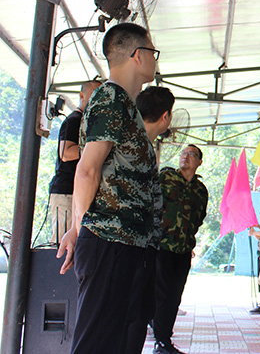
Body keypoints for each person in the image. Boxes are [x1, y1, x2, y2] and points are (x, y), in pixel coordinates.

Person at [56, 22, 160, 354]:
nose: (155, 60)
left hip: (127, 242)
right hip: (108, 239)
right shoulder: (110, 98)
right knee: (97, 341)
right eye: (153, 52)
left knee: (117, 338)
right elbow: (87, 170)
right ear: (138, 55)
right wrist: (79, 228)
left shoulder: (126, 105)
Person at [125, 85, 174, 354]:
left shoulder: (138, 142)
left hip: (141, 246)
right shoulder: (137, 145)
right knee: (133, 315)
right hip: (134, 246)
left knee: (139, 313)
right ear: (165, 116)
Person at [150, 143, 207, 354]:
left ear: (199, 162)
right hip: (161, 245)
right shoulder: (166, 178)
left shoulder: (200, 190)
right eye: (183, 154)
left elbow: (199, 218)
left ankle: (162, 335)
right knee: (162, 292)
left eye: (191, 154)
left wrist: (186, 235)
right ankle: (161, 340)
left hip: (183, 249)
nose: (185, 157)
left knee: (174, 295)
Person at [48, 79, 102, 244]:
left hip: (77, 191)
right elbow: (66, 153)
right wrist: (93, 149)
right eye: (94, 94)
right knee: (62, 242)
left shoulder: (87, 122)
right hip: (66, 191)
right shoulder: (75, 120)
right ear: (82, 95)